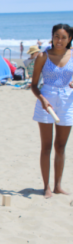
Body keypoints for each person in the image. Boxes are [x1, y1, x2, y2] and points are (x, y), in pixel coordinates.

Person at [30, 24, 73, 198]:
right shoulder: (43, 56)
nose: (59, 40)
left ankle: (58, 185)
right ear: (52, 37)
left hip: (67, 102)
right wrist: (42, 99)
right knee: (46, 146)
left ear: (69, 38)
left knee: (61, 147)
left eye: (63, 37)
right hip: (46, 102)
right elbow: (33, 85)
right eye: (56, 36)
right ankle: (46, 186)